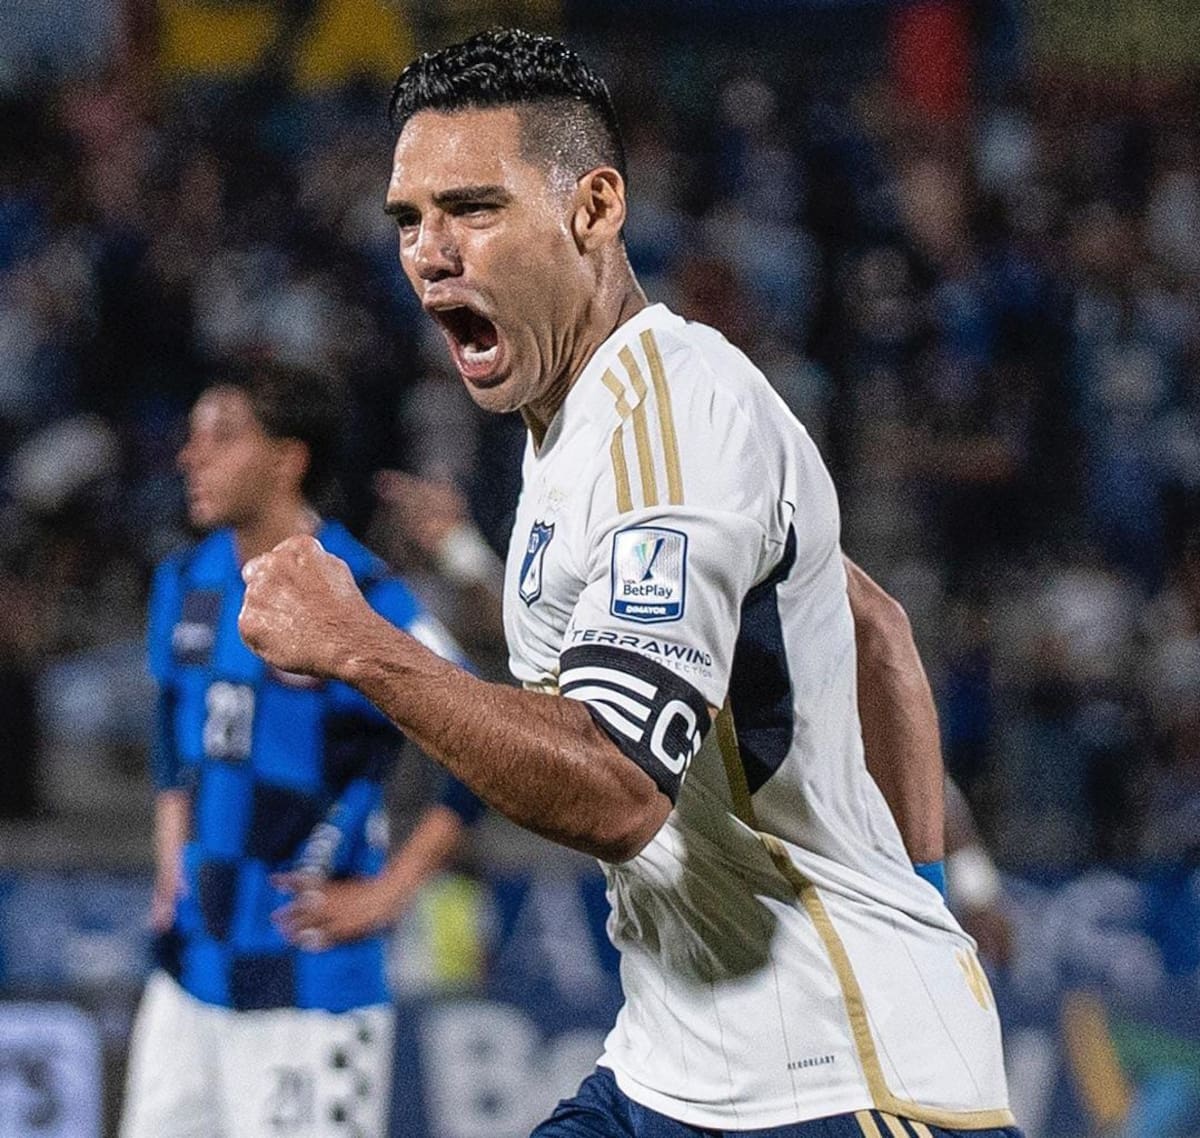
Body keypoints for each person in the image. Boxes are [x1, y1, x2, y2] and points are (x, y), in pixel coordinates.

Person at [237, 29, 1021, 1138]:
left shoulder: (674, 423)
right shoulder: (575, 421)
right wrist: (928, 897)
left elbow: (616, 787)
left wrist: (360, 643)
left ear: (594, 209)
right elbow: (874, 627)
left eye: (473, 208)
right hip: (670, 1065)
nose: (429, 252)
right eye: (408, 219)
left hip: (834, 1076)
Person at [121, 362, 482, 1138]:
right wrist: (169, 850)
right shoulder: (185, 580)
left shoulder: (364, 595)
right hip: (187, 976)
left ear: (288, 459)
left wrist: (392, 892)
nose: (190, 456)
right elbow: (171, 728)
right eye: (192, 436)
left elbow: (484, 741)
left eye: (221, 437)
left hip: (311, 987)